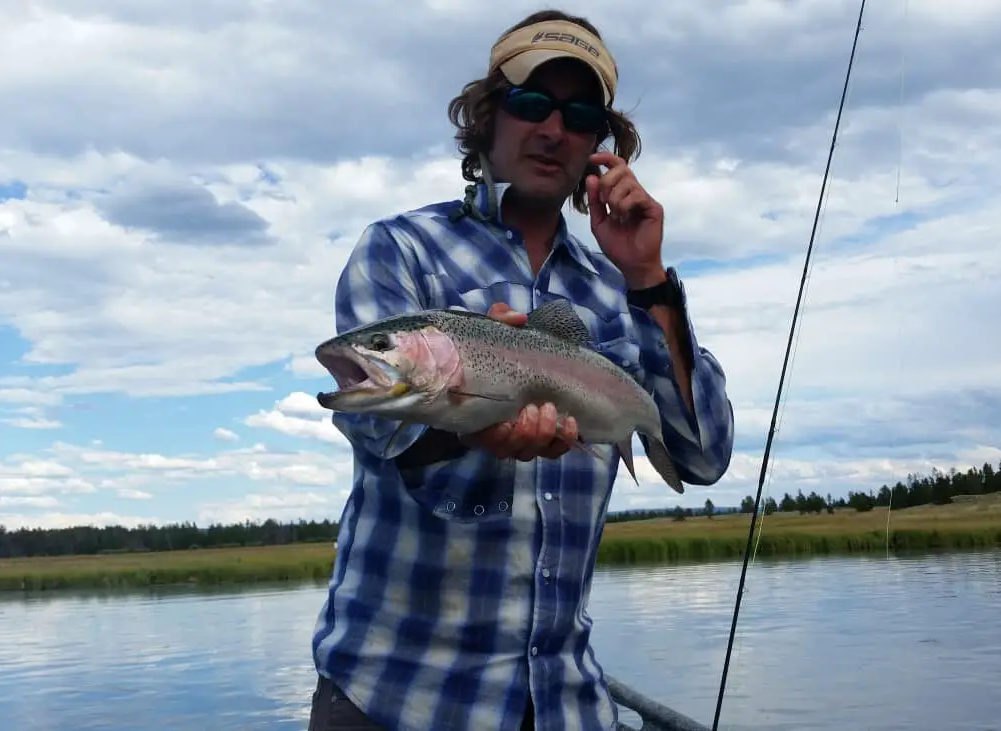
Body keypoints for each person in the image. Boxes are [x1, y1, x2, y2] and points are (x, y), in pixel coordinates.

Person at [308, 9, 735, 730]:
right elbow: (384, 437)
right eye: (531, 102)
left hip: (565, 703)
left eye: (580, 114)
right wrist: (473, 429)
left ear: (600, 143)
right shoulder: (400, 249)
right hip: (395, 699)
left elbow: (703, 453)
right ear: (488, 116)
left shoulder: (618, 287)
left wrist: (649, 278)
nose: (552, 129)